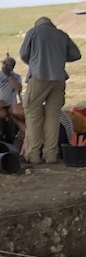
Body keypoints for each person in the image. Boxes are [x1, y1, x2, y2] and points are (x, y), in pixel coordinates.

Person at [18, 16, 82, 165]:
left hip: (39, 77)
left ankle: (33, 155)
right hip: (58, 79)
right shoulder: (61, 34)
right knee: (53, 118)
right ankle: (51, 156)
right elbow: (76, 54)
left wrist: (36, 61)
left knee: (33, 115)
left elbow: (23, 54)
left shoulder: (33, 32)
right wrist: (59, 57)